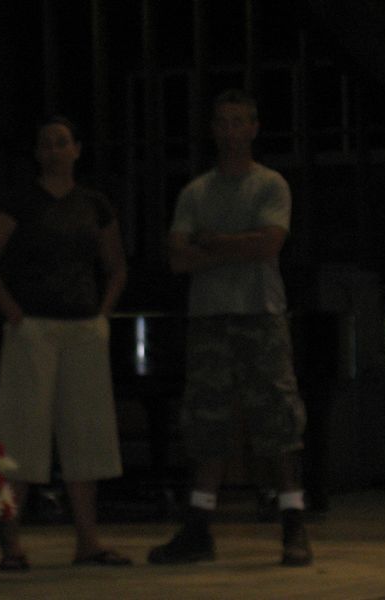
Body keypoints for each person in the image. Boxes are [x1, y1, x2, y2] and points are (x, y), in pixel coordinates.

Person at [147, 89, 312, 567]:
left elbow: (268, 245)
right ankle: (198, 527)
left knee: (277, 420)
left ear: (255, 128)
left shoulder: (271, 185)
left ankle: (293, 523)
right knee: (206, 423)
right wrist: (237, 246)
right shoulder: (195, 192)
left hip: (261, 314)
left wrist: (213, 243)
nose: (231, 131)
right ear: (213, 130)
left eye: (239, 122)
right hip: (209, 319)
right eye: (222, 122)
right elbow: (178, 258)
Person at [0, 115, 131, 570]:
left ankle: (88, 542)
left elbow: (117, 266)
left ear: (77, 149)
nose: (55, 151)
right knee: (21, 434)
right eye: (46, 144)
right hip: (34, 329)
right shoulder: (18, 200)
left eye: (62, 143)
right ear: (37, 153)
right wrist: (15, 314)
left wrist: (102, 315)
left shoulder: (94, 204)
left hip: (83, 330)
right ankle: (11, 544)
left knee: (86, 436)